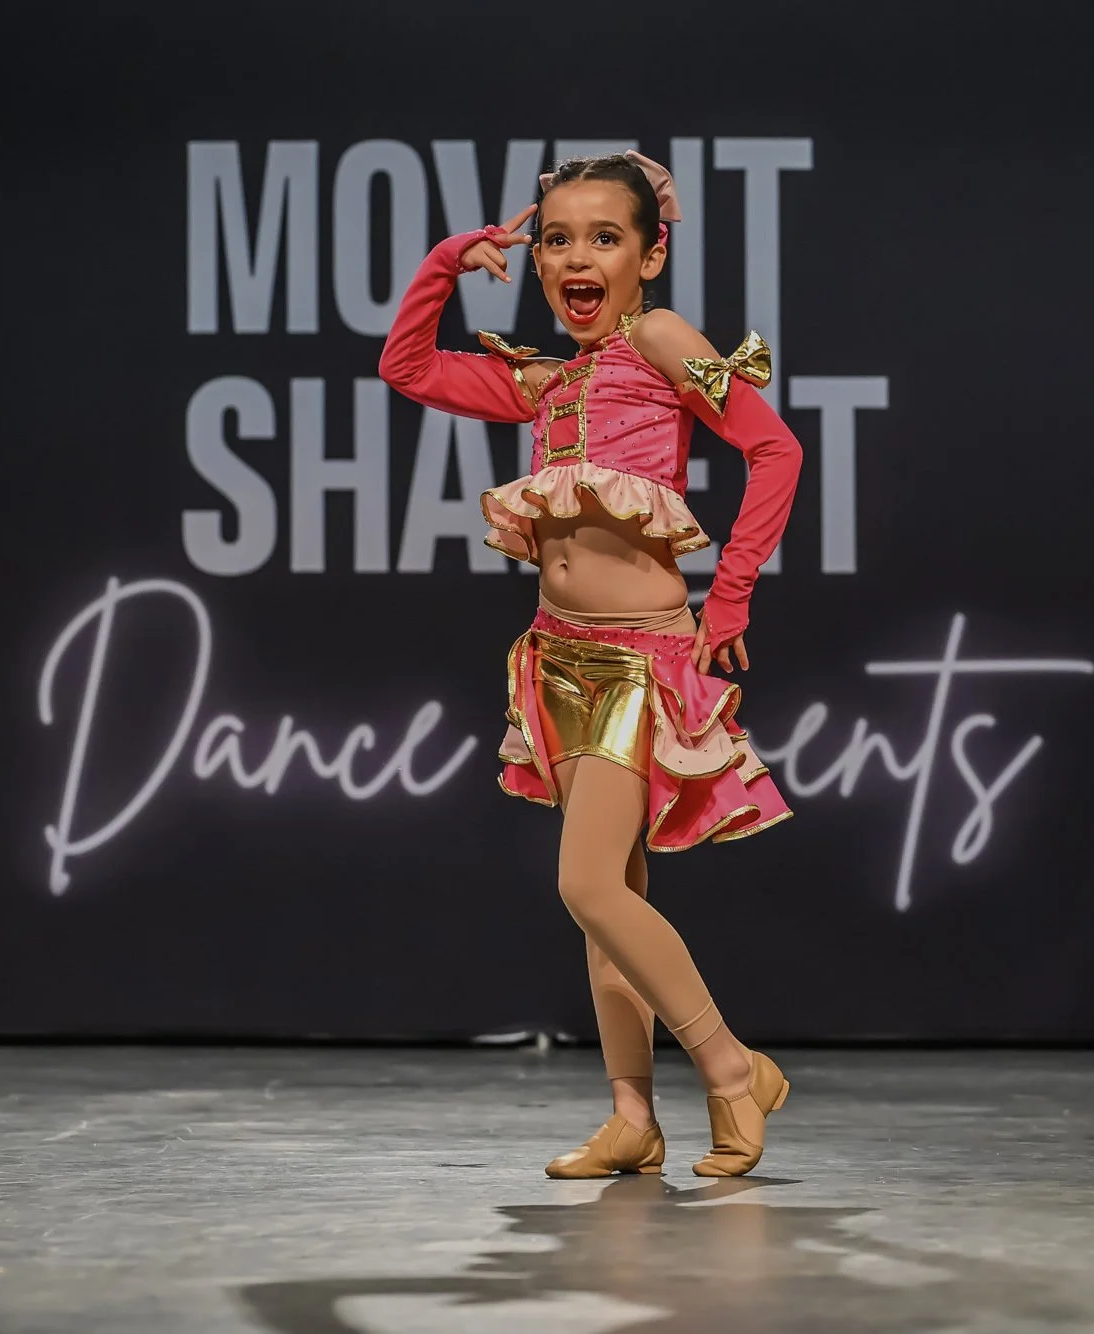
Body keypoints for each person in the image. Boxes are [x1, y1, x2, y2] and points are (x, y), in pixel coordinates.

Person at [379, 150, 803, 1178]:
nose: (576, 256)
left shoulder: (657, 338)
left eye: (603, 237)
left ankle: (733, 1067)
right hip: (556, 658)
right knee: (608, 893)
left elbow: (774, 448)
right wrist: (446, 259)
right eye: (555, 238)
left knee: (586, 884)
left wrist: (733, 588)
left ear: (648, 253)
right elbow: (407, 366)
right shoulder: (548, 380)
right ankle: (630, 1114)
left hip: (636, 660)